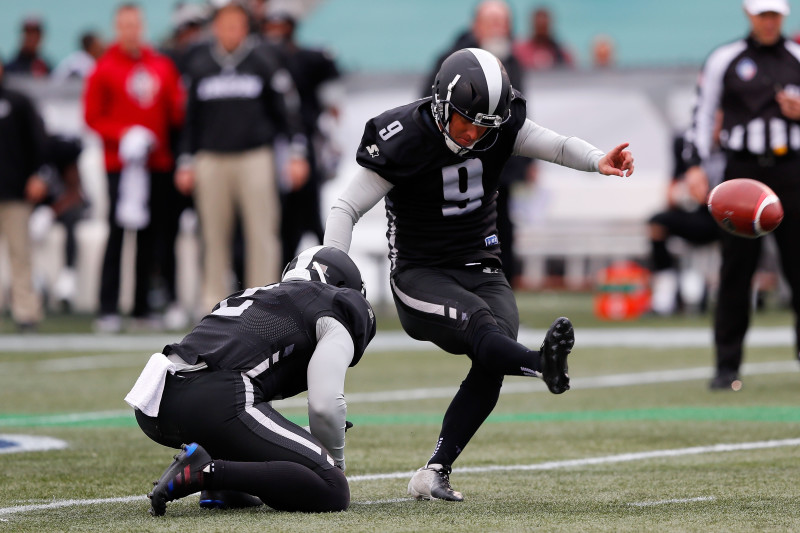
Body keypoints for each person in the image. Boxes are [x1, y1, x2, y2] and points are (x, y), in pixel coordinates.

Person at [323, 48, 634, 500]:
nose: (472, 133)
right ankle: (539, 363)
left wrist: (597, 159)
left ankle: (434, 472)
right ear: (440, 104)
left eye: (483, 125)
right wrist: (334, 274)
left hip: (482, 264)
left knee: (494, 351)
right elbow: (346, 207)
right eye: (465, 121)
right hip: (421, 273)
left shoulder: (498, 122)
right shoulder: (404, 135)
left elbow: (558, 146)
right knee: (487, 331)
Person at [125, 246, 376, 515]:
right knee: (331, 488)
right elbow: (324, 406)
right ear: (343, 286)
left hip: (154, 399)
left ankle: (222, 481)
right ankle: (209, 472)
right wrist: (332, 462)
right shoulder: (331, 304)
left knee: (254, 426)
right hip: (214, 398)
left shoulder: (250, 296)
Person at [687, 0, 800, 391]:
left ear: (783, 16)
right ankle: (726, 366)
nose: (768, 21)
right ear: (749, 15)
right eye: (762, 14)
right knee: (736, 272)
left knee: (799, 269)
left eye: (774, 15)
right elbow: (703, 112)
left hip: (791, 171)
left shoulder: (797, 57)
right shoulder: (725, 58)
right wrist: (696, 164)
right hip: (743, 174)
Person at [175, 1, 308, 312]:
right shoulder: (199, 62)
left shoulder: (264, 58)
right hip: (211, 158)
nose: (230, 30)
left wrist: (296, 153)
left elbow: (287, 110)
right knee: (212, 234)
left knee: (262, 232)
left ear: (246, 26)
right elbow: (189, 119)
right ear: (215, 26)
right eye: (224, 23)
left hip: (255, 157)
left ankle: (263, 304)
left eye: (236, 23)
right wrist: (185, 160)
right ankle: (212, 306)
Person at [83, 3, 185, 332]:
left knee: (151, 237)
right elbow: (92, 117)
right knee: (117, 233)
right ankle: (108, 307)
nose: (131, 31)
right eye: (124, 25)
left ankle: (142, 306)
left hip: (157, 163)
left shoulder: (161, 65)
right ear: (117, 27)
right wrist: (123, 134)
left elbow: (175, 112)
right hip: (121, 166)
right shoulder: (103, 67)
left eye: (135, 25)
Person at [421, 0, 532, 285]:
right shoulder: (451, 59)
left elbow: (519, 113)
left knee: (501, 222)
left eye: (502, 22)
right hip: (460, 159)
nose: (498, 28)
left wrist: (526, 161)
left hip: (497, 162)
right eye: (492, 21)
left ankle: (500, 284)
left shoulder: (511, 59)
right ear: (476, 25)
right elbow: (427, 104)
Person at [262, 7, 343, 265]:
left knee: (310, 214)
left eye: (280, 27)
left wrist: (330, 135)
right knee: (280, 221)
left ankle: (329, 273)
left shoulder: (309, 59)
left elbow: (333, 104)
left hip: (304, 145)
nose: (276, 34)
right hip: (268, 147)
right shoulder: (260, 60)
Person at [648, 133, 722, 315]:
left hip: (728, 216)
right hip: (699, 212)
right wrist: (683, 193)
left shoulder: (739, 141)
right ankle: (665, 293)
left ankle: (740, 292)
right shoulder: (687, 144)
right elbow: (671, 192)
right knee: (657, 223)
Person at [0, 59, 47, 329]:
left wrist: (38, 175)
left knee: (20, 253)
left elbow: (38, 142)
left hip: (14, 192)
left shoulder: (17, 101)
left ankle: (26, 311)